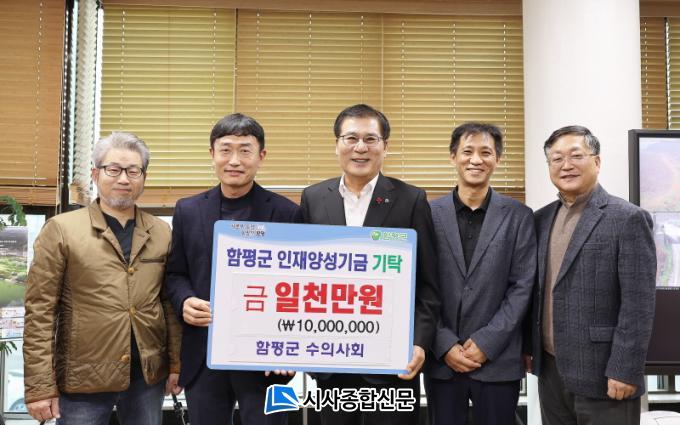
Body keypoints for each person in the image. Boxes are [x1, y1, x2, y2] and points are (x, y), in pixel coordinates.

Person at [23, 132, 182, 425]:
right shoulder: (61, 230)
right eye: (113, 169)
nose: (123, 179)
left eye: (133, 171)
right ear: (95, 174)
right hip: (83, 378)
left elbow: (168, 305)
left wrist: (176, 364)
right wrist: (39, 388)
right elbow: (40, 312)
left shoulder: (161, 232)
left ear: (143, 177)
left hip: (147, 376)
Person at [299, 103, 440, 425]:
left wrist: (419, 343)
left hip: (393, 361)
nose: (360, 147)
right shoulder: (313, 198)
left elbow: (428, 284)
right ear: (337, 144)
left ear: (385, 146)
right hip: (331, 361)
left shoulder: (411, 199)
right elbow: (302, 278)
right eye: (351, 138)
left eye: (370, 139)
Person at [164, 113, 298, 425]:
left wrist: (291, 350)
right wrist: (185, 300)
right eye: (225, 150)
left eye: (245, 150)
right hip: (205, 353)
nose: (234, 160)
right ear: (212, 154)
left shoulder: (288, 212)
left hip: (269, 357)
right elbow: (175, 273)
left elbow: (299, 286)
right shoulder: (187, 209)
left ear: (261, 156)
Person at [528, 125, 656, 425]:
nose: (566, 165)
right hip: (551, 373)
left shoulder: (627, 218)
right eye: (556, 158)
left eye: (576, 156)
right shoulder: (540, 219)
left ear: (596, 162)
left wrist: (625, 369)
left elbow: (638, 304)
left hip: (605, 375)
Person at [423, 122, 536, 425]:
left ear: (497, 159)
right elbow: (419, 285)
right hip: (442, 361)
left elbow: (522, 286)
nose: (476, 160)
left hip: (498, 359)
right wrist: (443, 343)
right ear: (453, 157)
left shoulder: (519, 216)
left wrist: (487, 342)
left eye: (485, 152)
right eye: (467, 151)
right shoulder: (427, 214)